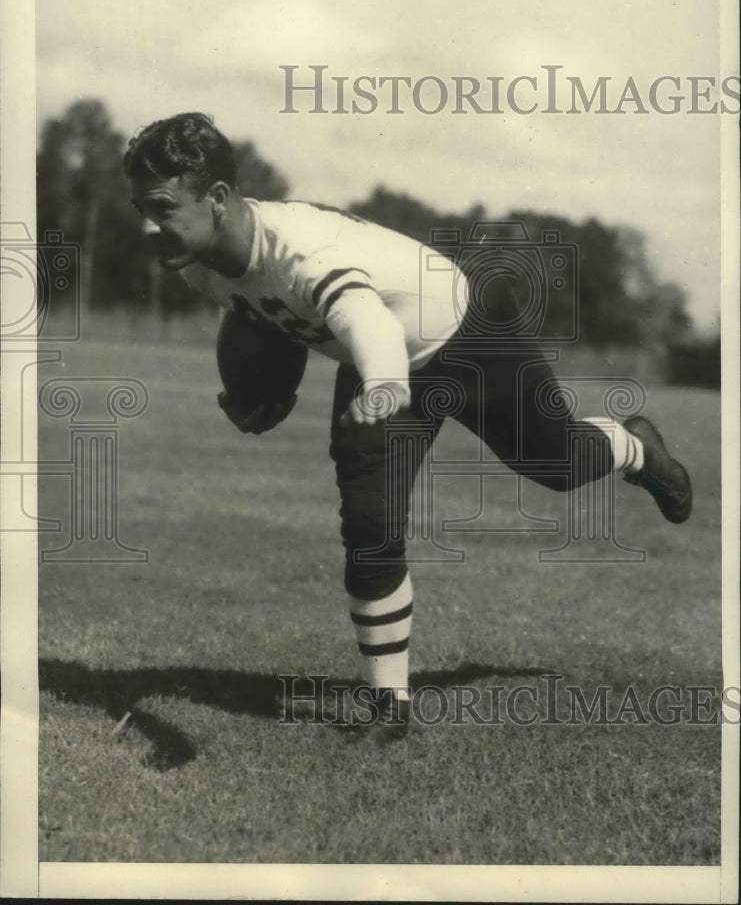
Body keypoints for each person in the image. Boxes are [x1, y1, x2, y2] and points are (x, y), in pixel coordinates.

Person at [124, 112, 692, 741]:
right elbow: (253, 309)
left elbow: (368, 324)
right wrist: (254, 390)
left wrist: (385, 388)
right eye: (139, 207)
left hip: (462, 332)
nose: (146, 226)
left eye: (161, 206)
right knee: (369, 522)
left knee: (555, 464)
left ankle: (634, 445)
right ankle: (390, 707)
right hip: (379, 361)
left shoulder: (300, 252)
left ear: (220, 198)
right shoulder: (197, 257)